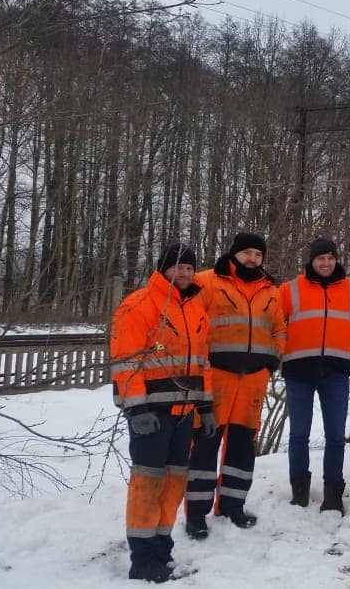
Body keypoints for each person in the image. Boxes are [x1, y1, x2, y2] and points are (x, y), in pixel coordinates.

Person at [110, 243, 215, 583]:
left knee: (173, 483)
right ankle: (142, 558)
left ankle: (161, 547)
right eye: (177, 267)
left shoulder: (196, 308)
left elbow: (202, 363)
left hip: (184, 412)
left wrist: (205, 406)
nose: (184, 273)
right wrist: (136, 407)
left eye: (189, 268)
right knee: (147, 483)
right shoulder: (139, 304)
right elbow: (126, 361)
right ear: (163, 269)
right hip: (152, 413)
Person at [184, 232, 287, 539]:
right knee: (205, 444)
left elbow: (279, 330)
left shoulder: (272, 291)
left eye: (257, 254)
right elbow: (192, 326)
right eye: (246, 253)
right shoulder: (206, 282)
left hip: (254, 381)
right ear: (234, 254)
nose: (252, 259)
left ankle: (233, 505)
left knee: (243, 447)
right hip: (216, 377)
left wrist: (272, 362)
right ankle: (196, 514)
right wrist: (199, 367)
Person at [279, 238, 350, 514]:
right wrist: (281, 350)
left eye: (331, 258)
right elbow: (274, 324)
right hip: (298, 371)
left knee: (335, 435)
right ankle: (299, 492)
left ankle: (334, 493)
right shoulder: (289, 290)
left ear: (336, 259)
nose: (326, 263)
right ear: (311, 261)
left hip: (336, 371)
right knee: (298, 434)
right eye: (321, 258)